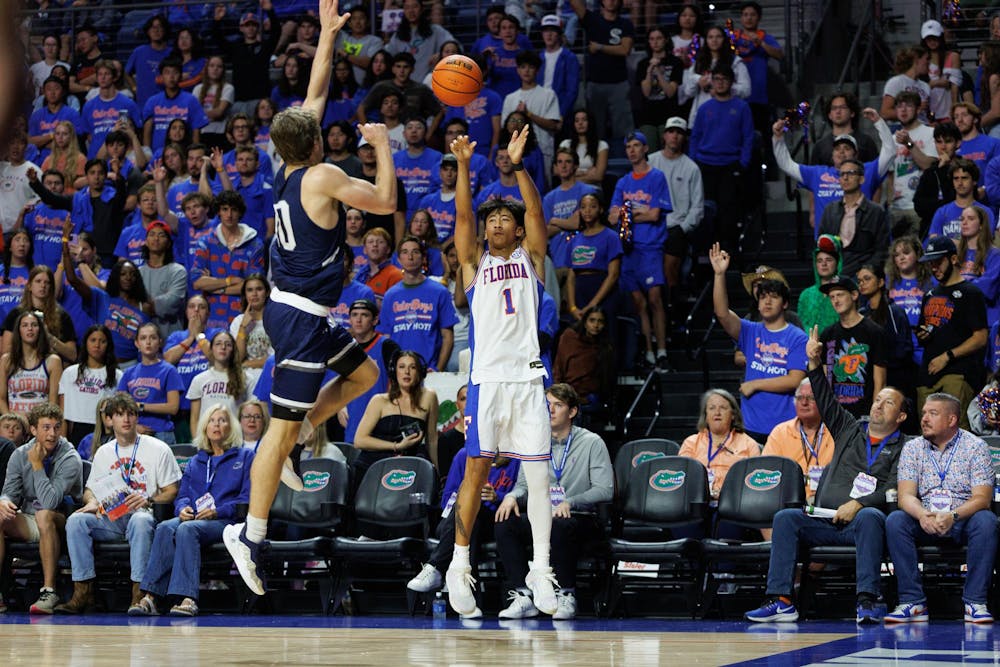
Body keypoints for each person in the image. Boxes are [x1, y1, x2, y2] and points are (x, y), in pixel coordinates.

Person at [223, 0, 396, 599]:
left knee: (364, 373)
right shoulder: (322, 176)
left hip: (300, 310)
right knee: (276, 429)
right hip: (298, 318)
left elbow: (315, 92)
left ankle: (296, 439)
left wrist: (325, 35)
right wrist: (382, 144)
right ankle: (251, 533)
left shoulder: (287, 166)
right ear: (317, 140)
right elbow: (385, 202)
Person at [443, 126, 560, 619]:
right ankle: (459, 563)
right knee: (476, 469)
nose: (493, 223)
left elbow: (535, 212)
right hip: (487, 379)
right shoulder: (472, 266)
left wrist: (517, 168)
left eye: (501, 219)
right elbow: (463, 214)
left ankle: (541, 569)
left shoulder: (531, 259)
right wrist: (467, 164)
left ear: (514, 231)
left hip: (529, 377)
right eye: (490, 218)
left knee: (537, 476)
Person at [745, 324, 908, 625]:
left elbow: (895, 489)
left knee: (871, 516)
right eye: (877, 399)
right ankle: (781, 599)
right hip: (824, 519)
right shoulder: (848, 428)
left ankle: (867, 601)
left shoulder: (906, 446)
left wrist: (859, 504)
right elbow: (824, 396)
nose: (878, 405)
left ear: (901, 416)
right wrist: (814, 364)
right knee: (785, 518)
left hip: (864, 524)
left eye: (888, 402)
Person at [492, 383, 612, 620]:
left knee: (559, 524)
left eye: (558, 405)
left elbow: (605, 489)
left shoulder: (592, 442)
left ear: (573, 411)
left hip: (580, 519)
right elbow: (523, 486)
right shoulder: (534, 442)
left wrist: (571, 502)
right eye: (547, 405)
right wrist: (510, 496)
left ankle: (565, 594)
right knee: (506, 523)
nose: (551, 410)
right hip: (543, 517)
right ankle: (523, 595)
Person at [55, 392, 180, 614]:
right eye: (120, 414)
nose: (126, 419)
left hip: (144, 514)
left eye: (131, 414)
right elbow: (89, 490)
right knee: (76, 521)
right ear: (110, 419)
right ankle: (83, 591)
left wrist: (149, 498)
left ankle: (139, 593)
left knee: (141, 520)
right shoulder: (104, 452)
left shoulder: (158, 448)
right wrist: (92, 501)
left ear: (137, 418)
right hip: (112, 517)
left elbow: (172, 490)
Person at [882, 392, 996, 624]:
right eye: (924, 413)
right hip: (924, 518)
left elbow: (982, 498)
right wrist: (923, 515)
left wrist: (953, 515)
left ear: (952, 420)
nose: (924, 418)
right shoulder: (913, 448)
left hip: (962, 518)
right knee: (896, 521)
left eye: (932, 414)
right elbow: (905, 496)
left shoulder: (976, 447)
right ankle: (912, 602)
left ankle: (975, 602)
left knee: (987, 521)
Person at [130, 405, 253, 617]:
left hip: (226, 521)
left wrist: (218, 511)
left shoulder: (245, 457)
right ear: (205, 427)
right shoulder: (197, 460)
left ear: (231, 427)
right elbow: (183, 494)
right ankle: (151, 597)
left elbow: (246, 498)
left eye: (222, 420)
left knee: (188, 530)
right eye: (212, 420)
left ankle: (187, 598)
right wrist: (181, 509)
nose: (216, 424)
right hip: (195, 518)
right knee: (165, 527)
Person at [711, 243, 808, 443]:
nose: (767, 302)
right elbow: (721, 313)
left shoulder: (797, 337)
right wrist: (719, 275)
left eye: (773, 297)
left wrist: (755, 384)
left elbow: (795, 380)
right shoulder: (750, 330)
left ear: (785, 303)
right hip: (751, 426)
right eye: (763, 297)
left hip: (785, 427)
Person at [0, 403, 82, 615]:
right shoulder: (19, 454)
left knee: (44, 514)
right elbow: (10, 491)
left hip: (65, 522)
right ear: (33, 430)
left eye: (56, 427)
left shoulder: (70, 457)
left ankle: (49, 591)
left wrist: (37, 465)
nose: (52, 434)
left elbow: (50, 501)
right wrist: (4, 502)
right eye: (46, 427)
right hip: (29, 518)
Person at [608, 131, 672, 369]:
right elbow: (612, 215)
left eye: (636, 145)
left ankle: (662, 349)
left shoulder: (656, 177)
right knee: (639, 303)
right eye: (628, 146)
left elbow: (655, 214)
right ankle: (648, 351)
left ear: (645, 149)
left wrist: (627, 214)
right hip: (628, 248)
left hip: (651, 247)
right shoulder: (623, 182)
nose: (632, 150)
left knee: (655, 298)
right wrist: (634, 214)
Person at [916, 236, 989, 426]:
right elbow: (927, 330)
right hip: (928, 375)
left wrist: (947, 356)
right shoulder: (929, 295)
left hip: (957, 372)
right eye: (931, 263)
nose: (934, 268)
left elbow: (981, 337)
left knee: (954, 431)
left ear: (954, 259)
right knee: (928, 433)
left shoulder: (970, 293)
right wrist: (923, 335)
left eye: (939, 262)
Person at [689, 63, 754, 254]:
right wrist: (693, 162)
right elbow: (695, 136)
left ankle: (729, 251)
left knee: (728, 210)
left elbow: (748, 137)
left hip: (730, 165)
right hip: (704, 165)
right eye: (716, 79)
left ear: (731, 82)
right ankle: (707, 251)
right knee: (706, 210)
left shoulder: (742, 107)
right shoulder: (704, 108)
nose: (720, 83)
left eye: (724, 79)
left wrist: (743, 162)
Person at [648, 117, 704, 319]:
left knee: (668, 268)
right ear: (664, 135)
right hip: (650, 224)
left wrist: (683, 228)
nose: (674, 136)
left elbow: (697, 208)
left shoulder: (691, 168)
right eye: (671, 131)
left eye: (679, 132)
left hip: (676, 227)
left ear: (683, 138)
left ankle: (671, 310)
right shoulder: (651, 162)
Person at [353, 350, 438, 478]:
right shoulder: (379, 401)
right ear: (394, 372)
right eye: (401, 367)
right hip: (374, 465)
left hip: (409, 467)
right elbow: (359, 440)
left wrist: (435, 472)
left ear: (420, 372)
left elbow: (431, 440)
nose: (407, 372)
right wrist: (397, 446)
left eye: (412, 367)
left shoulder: (429, 397)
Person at [377, 237, 457, 372]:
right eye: (405, 252)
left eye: (415, 252)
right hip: (399, 372)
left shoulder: (439, 292)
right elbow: (385, 338)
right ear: (398, 259)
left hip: (429, 370)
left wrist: (438, 369)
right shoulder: (390, 296)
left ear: (423, 258)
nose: (410, 256)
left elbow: (447, 337)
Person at [817, 275, 888, 418]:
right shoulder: (827, 334)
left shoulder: (874, 332)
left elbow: (880, 382)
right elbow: (825, 377)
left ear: (854, 295)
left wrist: (874, 416)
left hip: (864, 414)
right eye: (832, 297)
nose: (836, 301)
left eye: (840, 295)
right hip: (835, 414)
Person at [568, 0, 634, 145]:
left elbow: (625, 50)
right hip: (595, 83)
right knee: (595, 128)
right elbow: (574, 3)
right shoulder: (592, 19)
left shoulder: (625, 24)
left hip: (619, 83)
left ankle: (626, 160)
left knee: (623, 128)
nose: (611, 1)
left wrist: (600, 47)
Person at [763, 378, 836, 504]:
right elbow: (767, 472)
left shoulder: (836, 432)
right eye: (799, 397)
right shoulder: (780, 432)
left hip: (827, 501)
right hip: (786, 500)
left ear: (824, 401)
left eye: (811, 398)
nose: (804, 403)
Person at [679, 388, 760, 499]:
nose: (717, 413)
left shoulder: (749, 444)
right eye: (712, 408)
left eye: (723, 408)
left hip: (736, 501)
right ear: (705, 416)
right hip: (699, 501)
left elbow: (755, 482)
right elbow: (683, 477)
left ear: (733, 415)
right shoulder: (691, 443)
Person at [816, 158, 890, 277]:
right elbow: (821, 245)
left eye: (850, 173)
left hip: (863, 274)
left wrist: (867, 272)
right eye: (842, 174)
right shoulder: (830, 210)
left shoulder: (876, 211)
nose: (845, 178)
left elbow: (882, 250)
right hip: (835, 273)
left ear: (861, 179)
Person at [117, 323, 184, 444]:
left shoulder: (169, 370)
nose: (148, 342)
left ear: (160, 342)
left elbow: (173, 407)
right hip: (134, 432)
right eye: (143, 338)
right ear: (137, 343)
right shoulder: (128, 373)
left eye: (152, 338)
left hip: (162, 433)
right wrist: (134, 428)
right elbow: (120, 406)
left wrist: (141, 406)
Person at [857, 265, 915, 396]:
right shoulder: (861, 314)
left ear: (881, 282)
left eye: (867, 279)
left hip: (895, 380)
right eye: (859, 281)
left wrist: (881, 364)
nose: (862, 283)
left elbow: (904, 348)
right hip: (867, 381)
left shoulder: (894, 311)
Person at [58, 324, 121, 445]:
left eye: (102, 341)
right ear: (85, 343)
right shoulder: (70, 373)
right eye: (93, 340)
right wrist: (63, 440)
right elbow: (62, 411)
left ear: (108, 345)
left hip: (103, 429)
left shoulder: (117, 376)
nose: (97, 345)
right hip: (75, 429)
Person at [186, 331, 250, 436]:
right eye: (218, 343)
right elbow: (194, 419)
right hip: (207, 440)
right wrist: (198, 443)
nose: (223, 347)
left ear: (233, 350)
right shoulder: (199, 380)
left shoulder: (246, 378)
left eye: (228, 344)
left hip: (234, 438)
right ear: (211, 349)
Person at [0, 310, 62, 417]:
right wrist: (12, 421)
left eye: (34, 325)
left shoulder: (53, 361)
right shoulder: (7, 360)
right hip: (14, 426)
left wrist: (39, 426)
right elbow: (1, 399)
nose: (30, 328)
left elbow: (53, 402)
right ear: (18, 330)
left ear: (40, 330)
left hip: (41, 426)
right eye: (25, 325)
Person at [554, 308, 615, 411]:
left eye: (600, 321)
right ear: (585, 322)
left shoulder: (605, 347)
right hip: (567, 395)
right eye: (592, 320)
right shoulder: (569, 337)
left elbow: (606, 381)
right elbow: (559, 367)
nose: (596, 325)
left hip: (590, 398)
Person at [928, 160, 993, 243]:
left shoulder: (985, 212)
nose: (960, 183)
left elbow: (985, 244)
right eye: (956, 178)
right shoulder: (942, 212)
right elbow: (934, 243)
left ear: (974, 181)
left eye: (964, 178)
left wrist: (950, 243)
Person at [230, 275, 272, 389]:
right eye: (250, 290)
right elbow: (237, 358)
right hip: (245, 378)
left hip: (270, 375)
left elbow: (277, 359)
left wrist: (247, 364)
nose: (254, 294)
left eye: (259, 289)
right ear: (245, 294)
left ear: (267, 292)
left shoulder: (276, 320)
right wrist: (243, 327)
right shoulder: (238, 321)